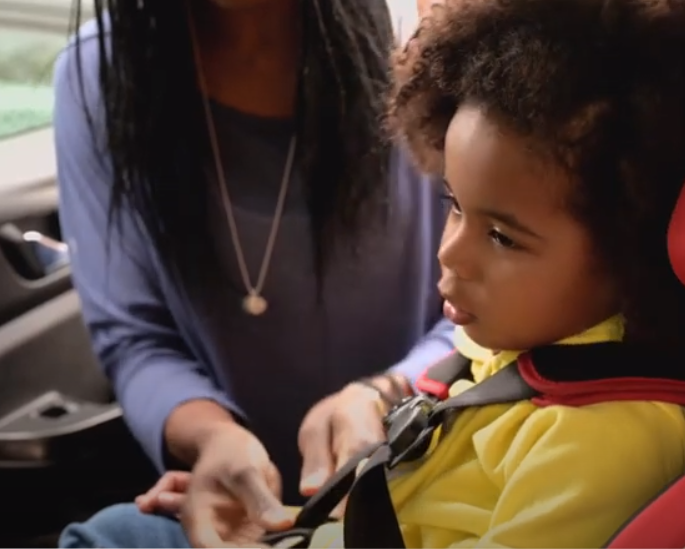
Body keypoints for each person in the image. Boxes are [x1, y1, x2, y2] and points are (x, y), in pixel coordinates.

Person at [61, 0, 685, 546]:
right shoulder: (513, 345)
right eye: (451, 204)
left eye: (502, 236)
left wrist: (369, 400)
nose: (449, 255)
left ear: (633, 250)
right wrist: (255, 480)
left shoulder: (608, 435)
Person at [54, 0, 453, 546]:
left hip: (423, 479)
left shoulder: (422, 48)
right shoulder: (96, 75)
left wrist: (387, 393)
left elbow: (493, 304)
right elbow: (135, 337)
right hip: (230, 517)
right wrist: (213, 438)